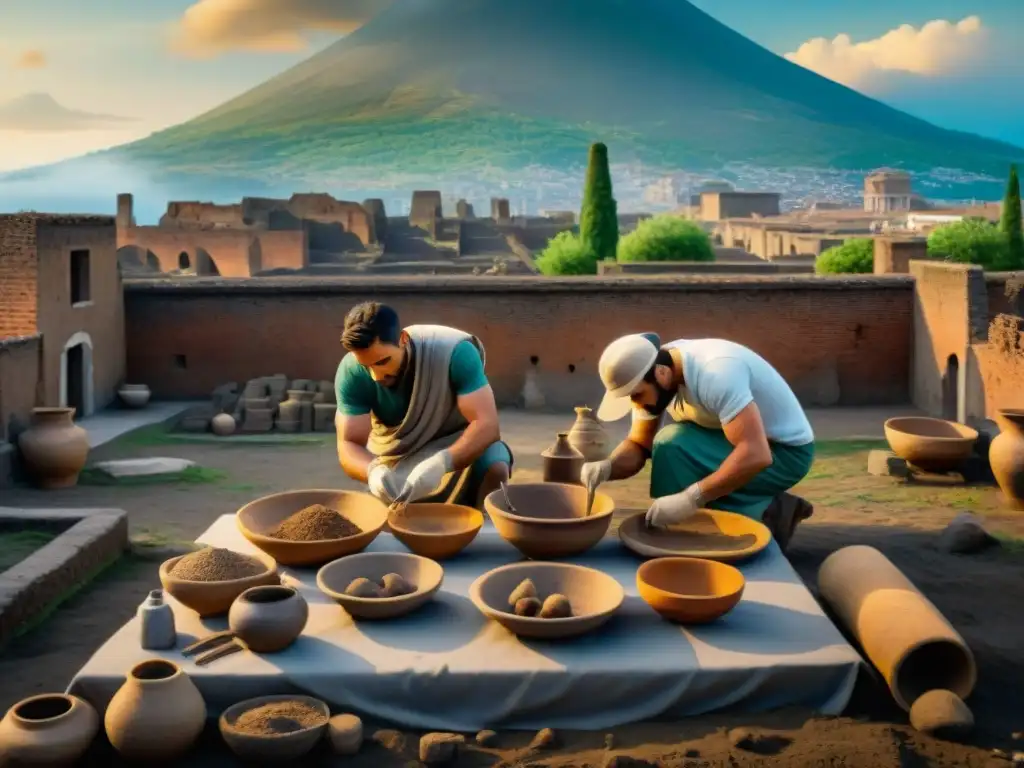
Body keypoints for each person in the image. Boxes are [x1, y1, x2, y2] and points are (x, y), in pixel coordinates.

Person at [581, 333, 815, 552]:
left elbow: (755, 453)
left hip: (785, 454)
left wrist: (691, 498)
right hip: (732, 442)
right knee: (672, 446)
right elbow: (639, 445)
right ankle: (701, 524)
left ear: (661, 373)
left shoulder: (716, 373)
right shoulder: (653, 375)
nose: (636, 404)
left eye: (636, 395)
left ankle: (764, 514)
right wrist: (608, 467)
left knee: (672, 445)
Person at [334, 302, 512, 510]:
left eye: (382, 362)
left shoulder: (454, 352)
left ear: (403, 339)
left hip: (456, 443)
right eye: (367, 367)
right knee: (377, 515)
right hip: (398, 456)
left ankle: (483, 529)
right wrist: (372, 471)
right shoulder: (351, 372)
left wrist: (443, 462)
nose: (376, 376)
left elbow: (487, 425)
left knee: (495, 464)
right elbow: (349, 444)